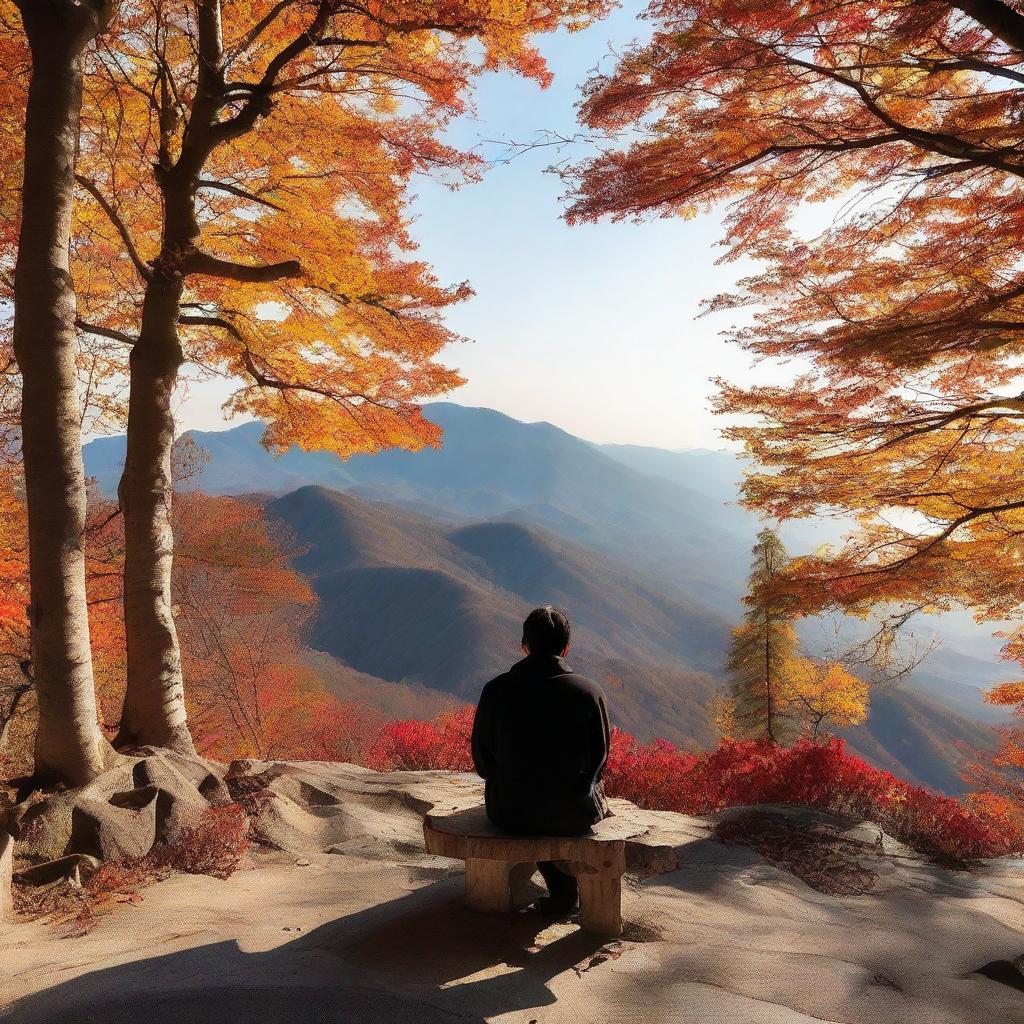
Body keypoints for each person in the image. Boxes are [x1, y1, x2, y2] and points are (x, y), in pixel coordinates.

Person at [471, 606, 611, 917]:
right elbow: (599, 760)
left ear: (524, 645)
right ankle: (566, 895)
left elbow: (483, 764)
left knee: (535, 799)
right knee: (563, 798)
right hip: (574, 814)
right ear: (566, 648)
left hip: (508, 812)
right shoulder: (589, 693)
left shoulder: (495, 691)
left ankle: (561, 895)